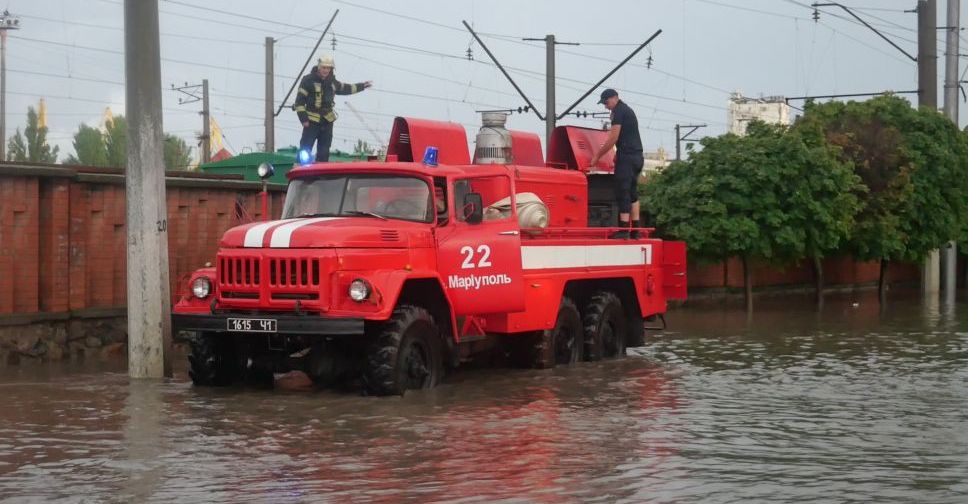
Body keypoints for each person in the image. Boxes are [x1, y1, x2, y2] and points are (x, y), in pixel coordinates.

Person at [294, 54, 372, 162]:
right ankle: (300, 170)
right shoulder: (308, 80)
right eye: (324, 68)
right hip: (311, 121)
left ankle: (321, 174)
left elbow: (346, 88)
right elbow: (299, 102)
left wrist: (362, 86)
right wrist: (304, 119)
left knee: (324, 151)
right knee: (305, 149)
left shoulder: (332, 82)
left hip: (327, 121)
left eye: (328, 68)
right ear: (319, 67)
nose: (326, 70)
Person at [589, 88, 644, 239]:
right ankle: (636, 229)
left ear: (614, 98)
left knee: (622, 191)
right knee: (632, 192)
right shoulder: (627, 110)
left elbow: (613, 137)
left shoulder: (619, 111)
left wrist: (597, 156)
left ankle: (624, 229)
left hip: (627, 157)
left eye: (606, 103)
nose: (605, 106)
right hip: (636, 156)